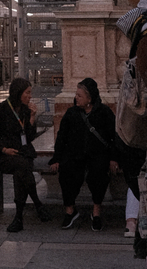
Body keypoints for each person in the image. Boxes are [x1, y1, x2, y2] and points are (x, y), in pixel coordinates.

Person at [49, 77, 118, 231]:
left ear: (89, 98)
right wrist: (56, 158)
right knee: (67, 172)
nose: (76, 98)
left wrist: (113, 158)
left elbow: (114, 137)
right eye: (76, 95)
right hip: (75, 154)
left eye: (80, 95)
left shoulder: (104, 113)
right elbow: (62, 137)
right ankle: (70, 210)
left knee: (99, 173)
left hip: (97, 154)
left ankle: (96, 211)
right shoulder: (71, 113)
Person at [0, 77, 51, 232]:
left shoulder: (26, 111)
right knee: (21, 166)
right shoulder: (0, 110)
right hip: (3, 154)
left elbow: (29, 137)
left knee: (21, 169)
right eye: (27, 93)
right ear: (18, 93)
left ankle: (19, 217)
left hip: (22, 153)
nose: (30, 96)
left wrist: (32, 118)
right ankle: (37, 204)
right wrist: (4, 149)